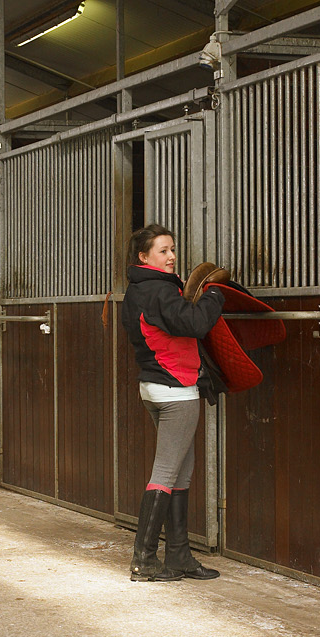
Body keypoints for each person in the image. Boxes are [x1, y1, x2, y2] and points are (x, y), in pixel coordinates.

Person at [120, 224, 227, 582]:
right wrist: (214, 295)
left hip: (153, 387)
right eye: (163, 251)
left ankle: (179, 555)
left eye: (172, 249)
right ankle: (144, 560)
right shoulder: (159, 291)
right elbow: (195, 323)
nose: (171, 256)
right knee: (166, 473)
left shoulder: (137, 290)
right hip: (177, 390)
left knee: (181, 470)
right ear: (144, 256)